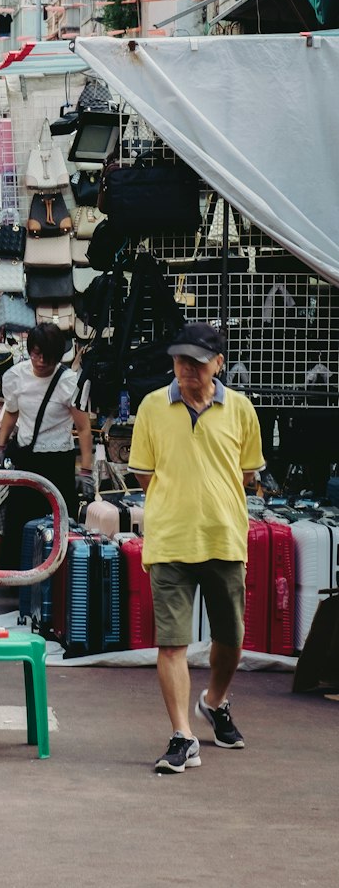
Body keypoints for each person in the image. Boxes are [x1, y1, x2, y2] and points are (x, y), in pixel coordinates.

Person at [128, 322, 263, 775]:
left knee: (232, 638)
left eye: (197, 361)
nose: (186, 368)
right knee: (171, 642)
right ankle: (182, 736)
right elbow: (145, 475)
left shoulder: (241, 410)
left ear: (218, 364)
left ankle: (215, 701)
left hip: (224, 537)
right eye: (180, 359)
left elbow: (246, 475)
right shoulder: (151, 407)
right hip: (169, 540)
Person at [0, 323, 93, 568]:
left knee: (55, 519)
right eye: (35, 353)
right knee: (18, 518)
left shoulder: (69, 382)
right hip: (26, 457)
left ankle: (55, 575)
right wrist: (0, 447)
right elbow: (11, 413)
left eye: (47, 357)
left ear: (58, 356)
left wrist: (86, 471)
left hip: (58, 459)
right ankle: (18, 576)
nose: (40, 361)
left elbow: (83, 427)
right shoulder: (16, 376)